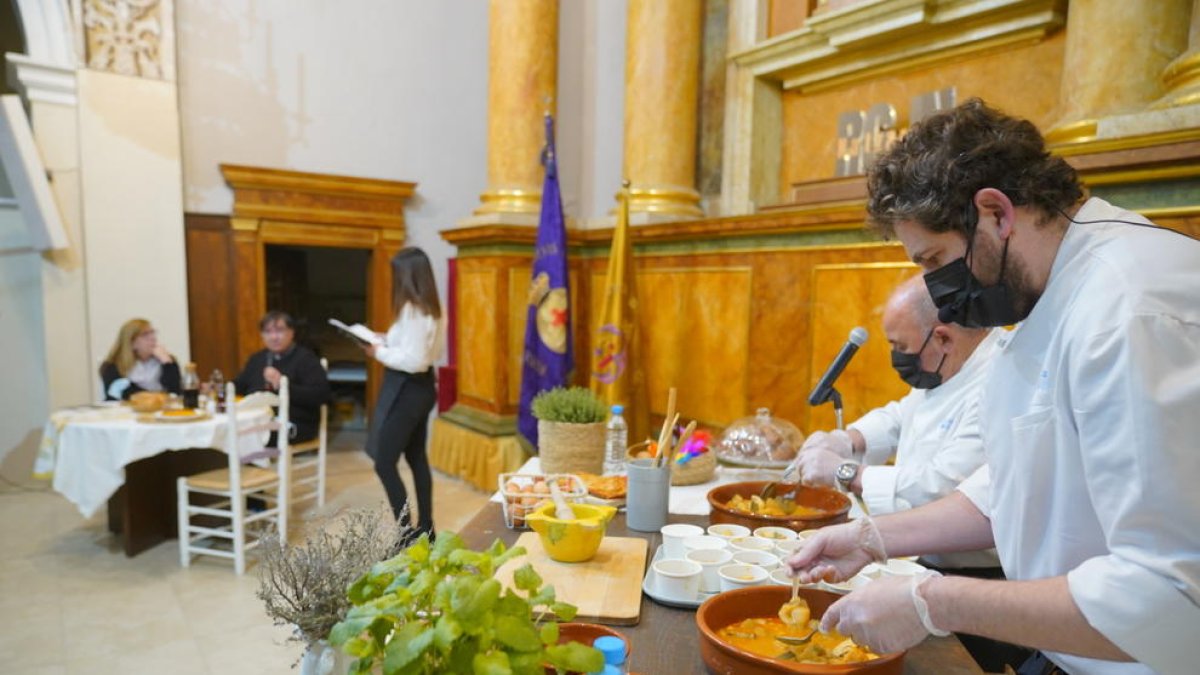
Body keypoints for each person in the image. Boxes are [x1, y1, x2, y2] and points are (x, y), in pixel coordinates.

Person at [786, 99, 1200, 674]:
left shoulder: (1131, 309)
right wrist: (870, 538)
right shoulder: (1047, 294)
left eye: (934, 259)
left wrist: (932, 602)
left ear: (996, 214)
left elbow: (1170, 596)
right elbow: (1009, 490)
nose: (937, 288)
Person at [792, 274, 1001, 570]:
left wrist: (848, 473)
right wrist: (847, 439)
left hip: (973, 570)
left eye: (901, 347)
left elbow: (942, 487)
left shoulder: (997, 381)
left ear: (943, 338)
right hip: (922, 552)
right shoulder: (950, 362)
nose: (897, 358)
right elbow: (901, 415)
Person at [364, 247, 444, 535]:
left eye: (397, 274)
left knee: (384, 462)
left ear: (408, 276)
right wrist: (387, 339)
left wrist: (378, 352)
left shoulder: (414, 310)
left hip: (407, 388)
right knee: (416, 458)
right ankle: (426, 529)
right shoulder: (432, 308)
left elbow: (414, 361)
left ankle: (406, 534)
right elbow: (421, 350)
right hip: (422, 388)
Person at [233, 310, 331, 444]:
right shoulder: (257, 359)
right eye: (268, 332)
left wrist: (283, 385)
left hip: (295, 423)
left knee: (246, 436)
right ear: (262, 335)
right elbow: (239, 385)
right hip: (257, 419)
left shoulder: (306, 359)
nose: (274, 337)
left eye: (279, 331)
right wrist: (217, 388)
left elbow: (322, 395)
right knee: (229, 431)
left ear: (291, 333)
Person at [100, 318, 181, 400]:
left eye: (153, 332)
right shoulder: (112, 365)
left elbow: (176, 392)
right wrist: (156, 397)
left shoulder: (167, 361)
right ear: (132, 343)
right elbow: (123, 393)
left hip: (162, 406)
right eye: (145, 335)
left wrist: (167, 363)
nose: (153, 338)